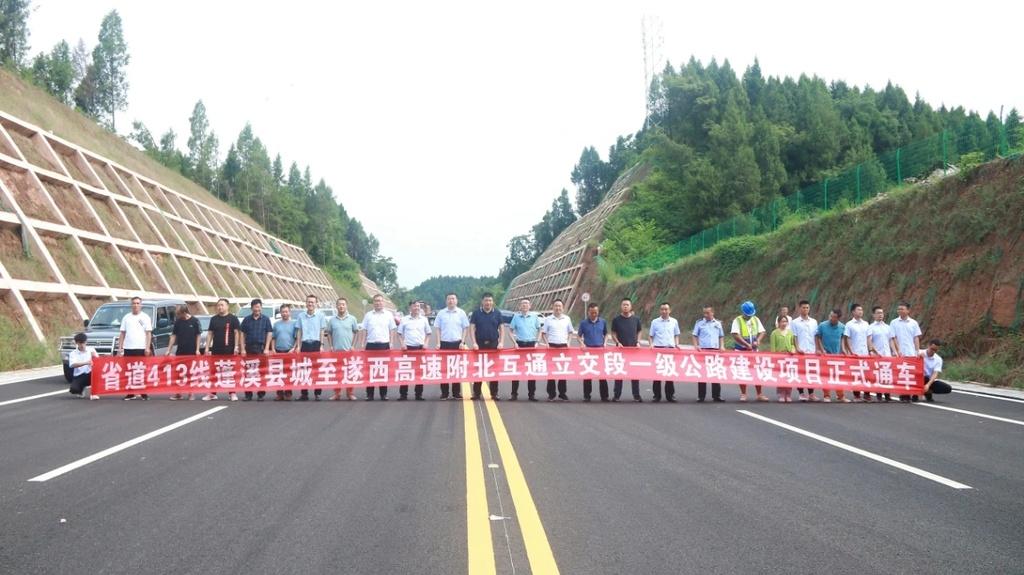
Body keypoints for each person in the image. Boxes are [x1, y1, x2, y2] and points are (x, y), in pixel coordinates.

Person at [431, 293, 469, 400]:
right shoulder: (441, 314)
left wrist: (463, 341)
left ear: (456, 300)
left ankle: (456, 393)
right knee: (444, 369)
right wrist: (438, 342)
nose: (451, 301)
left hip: (457, 344)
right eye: (449, 299)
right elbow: (437, 328)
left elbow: (465, 328)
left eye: (453, 299)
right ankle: (444, 393)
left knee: (456, 368)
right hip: (444, 343)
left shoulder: (461, 313)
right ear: (446, 301)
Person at [204, 298, 241, 401]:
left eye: (222, 305)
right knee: (214, 372)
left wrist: (236, 346)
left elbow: (236, 333)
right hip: (216, 349)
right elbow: (210, 333)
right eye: (218, 305)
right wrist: (207, 347)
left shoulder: (233, 318)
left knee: (229, 371)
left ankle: (232, 393)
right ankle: (212, 393)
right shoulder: (214, 319)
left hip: (229, 349)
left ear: (227, 306)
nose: (220, 307)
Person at [360, 294, 396, 400]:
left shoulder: (388, 315)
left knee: (383, 370)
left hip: (384, 345)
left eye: (380, 301)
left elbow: (392, 330)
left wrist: (392, 343)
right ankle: (370, 394)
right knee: (369, 370)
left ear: (383, 302)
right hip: (370, 345)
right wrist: (362, 344)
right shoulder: (368, 315)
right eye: (376, 301)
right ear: (373, 303)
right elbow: (364, 330)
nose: (378, 303)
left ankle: (383, 394)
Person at [469, 293, 504, 400]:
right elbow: (472, 328)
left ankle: (494, 393)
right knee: (478, 369)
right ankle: (476, 393)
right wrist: (474, 343)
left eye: (490, 300)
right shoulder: (476, 313)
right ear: (482, 301)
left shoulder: (497, 313)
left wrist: (501, 342)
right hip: (479, 344)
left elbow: (502, 328)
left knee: (494, 369)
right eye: (486, 300)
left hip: (493, 344)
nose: (488, 302)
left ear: (493, 302)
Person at [731, 301, 767, 402]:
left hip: (754, 350)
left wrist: (758, 340)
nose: (749, 316)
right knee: (742, 372)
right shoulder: (737, 320)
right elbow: (735, 334)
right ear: (743, 312)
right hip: (741, 350)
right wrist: (746, 344)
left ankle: (759, 394)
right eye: (747, 315)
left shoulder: (755, 319)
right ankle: (743, 393)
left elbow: (762, 331)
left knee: (757, 371)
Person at [117, 296, 152, 401]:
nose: (136, 305)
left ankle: (143, 392)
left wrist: (147, 347)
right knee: (129, 371)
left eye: (137, 303)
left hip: (141, 348)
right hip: (128, 348)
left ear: (141, 305)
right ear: (131, 305)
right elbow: (122, 333)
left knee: (141, 371)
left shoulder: (145, 317)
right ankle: (130, 393)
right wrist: (120, 348)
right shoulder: (126, 317)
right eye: (134, 303)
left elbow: (148, 333)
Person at [327, 298, 361, 400]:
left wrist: (353, 345)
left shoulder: (352, 319)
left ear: (346, 306)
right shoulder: (332, 320)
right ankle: (337, 393)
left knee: (350, 372)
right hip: (336, 352)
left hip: (349, 352)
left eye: (343, 304)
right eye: (339, 304)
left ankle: (350, 393)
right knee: (337, 373)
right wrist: (331, 346)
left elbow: (356, 332)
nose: (341, 306)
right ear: (336, 306)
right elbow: (328, 333)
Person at [540, 299, 574, 401]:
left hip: (563, 346)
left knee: (562, 370)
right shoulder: (548, 319)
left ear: (563, 308)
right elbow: (543, 333)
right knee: (551, 370)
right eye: (556, 306)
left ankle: (562, 393)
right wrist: (546, 344)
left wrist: (569, 342)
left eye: (560, 306)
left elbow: (571, 332)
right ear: (552, 307)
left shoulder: (567, 319)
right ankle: (551, 393)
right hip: (551, 346)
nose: (558, 308)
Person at [239, 298, 273, 401]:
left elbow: (269, 333)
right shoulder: (246, 319)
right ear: (252, 308)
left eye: (259, 307)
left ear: (261, 308)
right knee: (248, 371)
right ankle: (248, 394)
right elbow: (242, 334)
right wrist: (242, 348)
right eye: (255, 307)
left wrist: (267, 348)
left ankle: (260, 394)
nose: (257, 309)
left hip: (261, 348)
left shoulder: (266, 319)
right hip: (249, 347)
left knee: (261, 371)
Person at [509, 298, 541, 401]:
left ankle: (531, 395)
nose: (525, 305)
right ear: (520, 306)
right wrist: (514, 343)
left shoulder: (535, 317)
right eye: (523, 303)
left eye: (526, 303)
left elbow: (540, 329)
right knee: (517, 370)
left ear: (530, 305)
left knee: (531, 370)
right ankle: (514, 394)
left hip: (531, 344)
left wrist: (537, 342)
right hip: (519, 345)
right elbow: (510, 330)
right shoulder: (516, 317)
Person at [610, 298, 642, 402]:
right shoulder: (616, 320)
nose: (625, 306)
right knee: (619, 373)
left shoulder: (636, 319)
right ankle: (617, 395)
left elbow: (639, 331)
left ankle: (636, 395)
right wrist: (617, 342)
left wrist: (638, 342)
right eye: (623, 304)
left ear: (630, 306)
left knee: (635, 373)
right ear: (621, 306)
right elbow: (613, 333)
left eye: (627, 305)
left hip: (633, 351)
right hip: (620, 351)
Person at [397, 300, 431, 400]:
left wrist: (426, 343)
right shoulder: (404, 319)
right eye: (414, 306)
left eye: (418, 306)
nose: (416, 308)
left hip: (420, 348)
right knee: (405, 371)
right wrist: (402, 343)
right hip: (407, 348)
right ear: (410, 308)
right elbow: (399, 333)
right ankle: (403, 394)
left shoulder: (424, 319)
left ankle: (418, 394)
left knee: (419, 372)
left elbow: (428, 333)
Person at [295, 294, 326, 401]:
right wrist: (298, 346)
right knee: (304, 369)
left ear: (316, 304)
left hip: (316, 344)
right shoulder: (301, 316)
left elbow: (322, 331)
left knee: (316, 369)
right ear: (306, 303)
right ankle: (304, 393)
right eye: (308, 302)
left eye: (312, 302)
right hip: (305, 344)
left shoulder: (320, 316)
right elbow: (299, 331)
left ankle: (317, 393)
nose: (310, 304)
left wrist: (322, 345)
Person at [167, 305, 202, 400]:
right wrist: (168, 349)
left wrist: (197, 349)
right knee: (178, 372)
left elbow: (198, 335)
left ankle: (191, 393)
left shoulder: (194, 321)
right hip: (180, 351)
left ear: (184, 312)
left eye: (178, 314)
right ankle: (178, 393)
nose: (177, 316)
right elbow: (173, 336)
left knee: (190, 372)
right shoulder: (178, 322)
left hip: (191, 350)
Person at [692, 305, 725, 402]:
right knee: (702, 374)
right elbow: (694, 335)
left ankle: (716, 396)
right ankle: (701, 396)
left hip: (714, 351)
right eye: (704, 313)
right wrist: (696, 345)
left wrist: (722, 346)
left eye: (707, 313)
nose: (705, 315)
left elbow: (721, 336)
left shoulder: (718, 324)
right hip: (703, 351)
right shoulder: (699, 323)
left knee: (715, 373)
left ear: (712, 313)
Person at [649, 302, 680, 402]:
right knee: (657, 374)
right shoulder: (655, 322)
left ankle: (670, 396)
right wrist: (651, 344)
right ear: (660, 310)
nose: (664, 311)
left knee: (669, 374)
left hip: (670, 350)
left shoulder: (674, 321)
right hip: (658, 350)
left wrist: (676, 344)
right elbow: (651, 336)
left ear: (669, 310)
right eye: (662, 309)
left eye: (666, 309)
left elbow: (676, 334)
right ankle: (656, 396)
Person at [815, 308, 848, 403]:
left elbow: (842, 338)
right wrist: (820, 349)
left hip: (837, 355)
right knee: (826, 375)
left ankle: (841, 395)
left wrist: (844, 349)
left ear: (838, 318)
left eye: (833, 317)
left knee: (838, 376)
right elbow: (818, 337)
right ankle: (826, 395)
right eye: (830, 315)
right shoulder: (822, 325)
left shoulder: (842, 327)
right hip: (825, 354)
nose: (831, 318)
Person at [790, 300, 820, 402]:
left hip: (811, 350)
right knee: (801, 372)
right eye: (803, 307)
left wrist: (817, 348)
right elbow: (794, 336)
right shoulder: (794, 322)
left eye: (807, 308)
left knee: (811, 372)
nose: (805, 309)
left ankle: (811, 393)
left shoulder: (814, 322)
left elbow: (816, 336)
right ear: (799, 308)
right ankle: (801, 393)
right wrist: (797, 348)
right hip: (801, 351)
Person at [578, 303, 609, 402]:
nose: (594, 314)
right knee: (588, 374)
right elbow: (578, 336)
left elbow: (606, 334)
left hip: (600, 351)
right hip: (588, 352)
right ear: (588, 312)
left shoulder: (603, 322)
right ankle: (587, 396)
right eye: (592, 313)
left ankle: (604, 396)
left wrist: (605, 343)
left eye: (596, 312)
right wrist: (582, 343)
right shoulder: (583, 323)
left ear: (598, 312)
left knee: (602, 375)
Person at [842, 303, 872, 402]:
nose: (860, 312)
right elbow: (848, 339)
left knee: (867, 374)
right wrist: (850, 351)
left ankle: (867, 394)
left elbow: (868, 338)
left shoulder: (866, 324)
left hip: (865, 353)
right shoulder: (849, 324)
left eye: (861, 310)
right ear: (853, 312)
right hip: (854, 353)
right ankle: (857, 395)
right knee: (856, 375)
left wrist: (870, 350)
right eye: (858, 310)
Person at [270, 303, 299, 401]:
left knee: (288, 373)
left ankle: (288, 393)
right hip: (278, 351)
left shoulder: (294, 324)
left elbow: (296, 338)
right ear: (280, 313)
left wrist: (294, 348)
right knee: (278, 373)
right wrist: (273, 349)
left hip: (289, 351)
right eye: (283, 312)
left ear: (289, 312)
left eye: (286, 312)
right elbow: (273, 338)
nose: (284, 313)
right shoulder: (276, 324)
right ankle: (279, 393)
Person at [867, 306, 897, 401]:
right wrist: (873, 351)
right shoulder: (871, 327)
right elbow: (869, 340)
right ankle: (879, 395)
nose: (880, 315)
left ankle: (887, 395)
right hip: (877, 355)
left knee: (887, 374)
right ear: (873, 315)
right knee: (878, 375)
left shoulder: (888, 327)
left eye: (882, 313)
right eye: (878, 313)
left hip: (887, 355)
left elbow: (891, 341)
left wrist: (895, 351)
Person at [770, 315, 796, 402]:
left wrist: (793, 349)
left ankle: (788, 394)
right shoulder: (774, 333)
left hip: (789, 357)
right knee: (781, 376)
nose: (784, 323)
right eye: (782, 321)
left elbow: (793, 344)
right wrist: (774, 358)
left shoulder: (790, 333)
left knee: (789, 376)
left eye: (785, 321)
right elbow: (773, 347)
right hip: (779, 358)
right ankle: (781, 393)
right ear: (778, 322)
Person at [68, 332, 99, 399]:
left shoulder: (91, 350)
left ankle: (94, 394)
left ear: (86, 342)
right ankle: (81, 389)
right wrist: (85, 363)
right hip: (79, 375)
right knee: (74, 389)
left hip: (90, 373)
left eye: (83, 342)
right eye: (80, 343)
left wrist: (95, 357)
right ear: (76, 343)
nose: (82, 345)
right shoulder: (73, 353)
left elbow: (98, 362)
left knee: (97, 375)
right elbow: (72, 365)